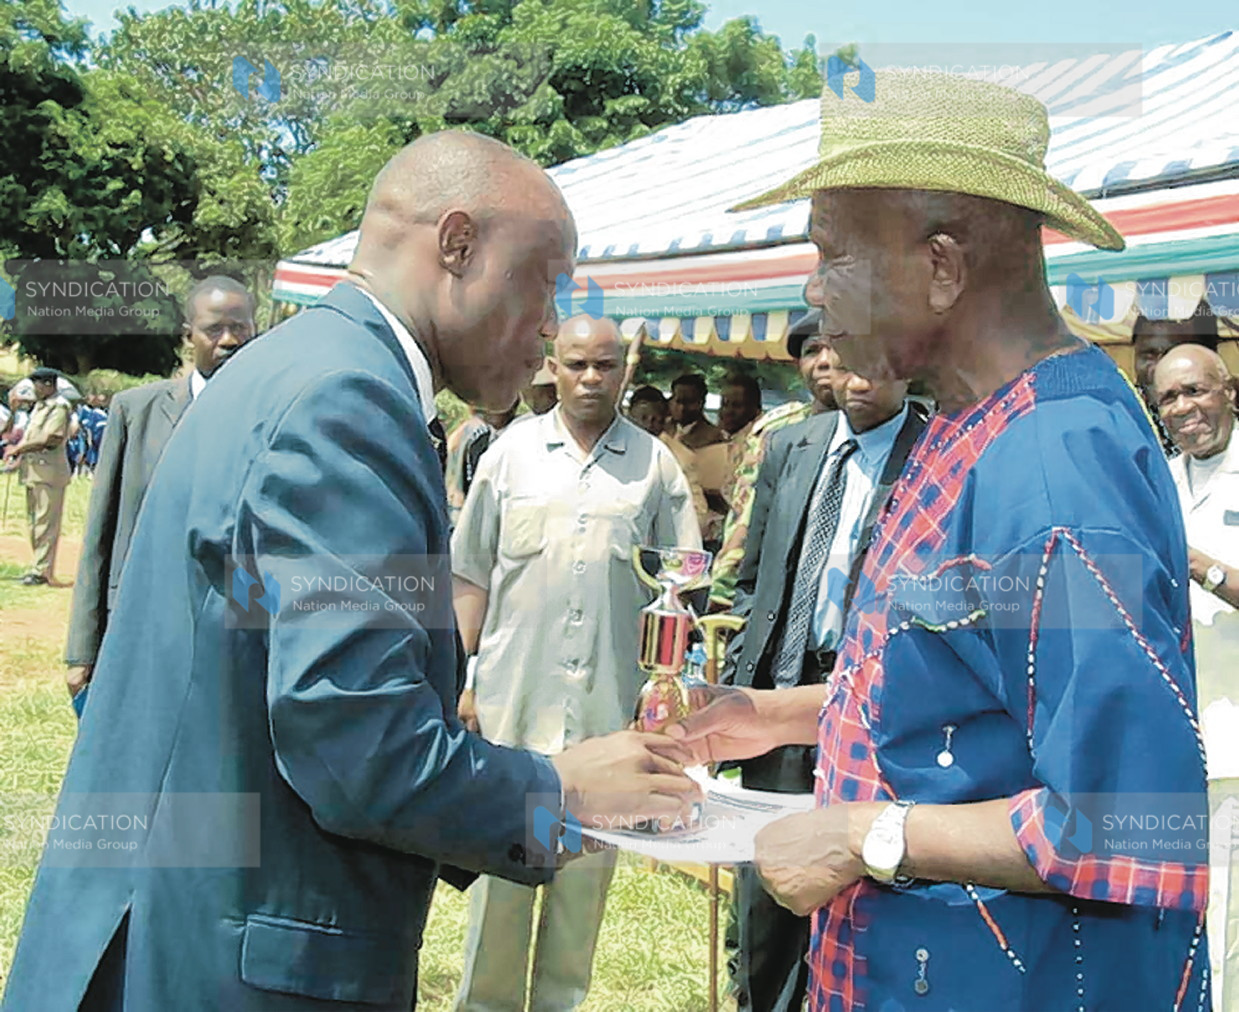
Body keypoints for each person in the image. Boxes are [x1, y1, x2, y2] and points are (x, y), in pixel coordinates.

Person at [2, 130, 700, 1012]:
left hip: (182, 923)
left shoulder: (300, 367)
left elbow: (279, 649)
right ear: (457, 245)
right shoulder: (348, 400)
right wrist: (558, 797)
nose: (553, 323)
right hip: (230, 958)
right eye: (544, 281)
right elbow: (359, 751)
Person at [671, 70, 1210, 1011]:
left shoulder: (1052, 466)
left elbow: (1132, 819)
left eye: (832, 253)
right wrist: (779, 714)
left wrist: (864, 836)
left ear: (940, 268)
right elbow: (971, 683)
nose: (811, 289)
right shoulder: (970, 422)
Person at [451, 315, 699, 1012]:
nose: (591, 379)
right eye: (577, 365)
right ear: (551, 368)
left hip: (606, 721)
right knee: (502, 886)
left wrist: (664, 701)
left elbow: (680, 589)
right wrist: (463, 680)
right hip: (512, 713)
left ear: (625, 371)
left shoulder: (654, 467)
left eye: (605, 365)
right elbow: (470, 574)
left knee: (580, 896)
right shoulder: (510, 455)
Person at [723, 349, 923, 1012]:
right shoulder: (792, 446)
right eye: (845, 360)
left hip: (873, 705)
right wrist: (744, 681)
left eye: (876, 361)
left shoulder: (931, 450)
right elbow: (753, 575)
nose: (858, 377)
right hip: (783, 692)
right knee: (766, 895)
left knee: (850, 887)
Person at [63, 276, 258, 704]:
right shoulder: (137, 412)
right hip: (143, 620)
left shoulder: (278, 415)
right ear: (188, 335)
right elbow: (102, 532)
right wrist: (83, 648)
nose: (229, 340)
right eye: (214, 329)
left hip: (238, 628)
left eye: (240, 328)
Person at [710, 310, 840, 610]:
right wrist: (724, 596)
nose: (823, 362)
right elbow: (746, 520)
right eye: (812, 351)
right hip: (779, 597)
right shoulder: (779, 430)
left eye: (835, 348)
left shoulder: (891, 431)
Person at [1153, 344, 1239, 622]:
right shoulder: (1160, 481)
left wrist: (1194, 564)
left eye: (1194, 391)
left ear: (1230, 392)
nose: (1182, 407)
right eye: (1168, 398)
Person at [5, 367, 71, 585]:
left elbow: (51, 438)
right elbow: (26, 435)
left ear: (49, 385)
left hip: (49, 472)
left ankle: (42, 571)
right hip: (33, 472)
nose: (35, 389)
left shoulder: (59, 407)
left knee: (46, 523)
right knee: (34, 523)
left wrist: (19, 449)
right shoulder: (40, 407)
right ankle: (38, 566)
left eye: (38, 385)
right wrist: (18, 455)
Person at [1132, 302, 1220, 455]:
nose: (1159, 367)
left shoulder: (1227, 411)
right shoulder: (1121, 414)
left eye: (1173, 354)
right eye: (1148, 355)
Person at [628, 384, 708, 531]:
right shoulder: (610, 448)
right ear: (630, 416)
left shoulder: (682, 459)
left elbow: (698, 514)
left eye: (655, 419)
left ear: (664, 420)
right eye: (643, 418)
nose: (648, 425)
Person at [669, 372, 727, 449]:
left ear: (701, 403)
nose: (682, 408)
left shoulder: (714, 438)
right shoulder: (661, 429)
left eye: (689, 402)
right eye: (678, 401)